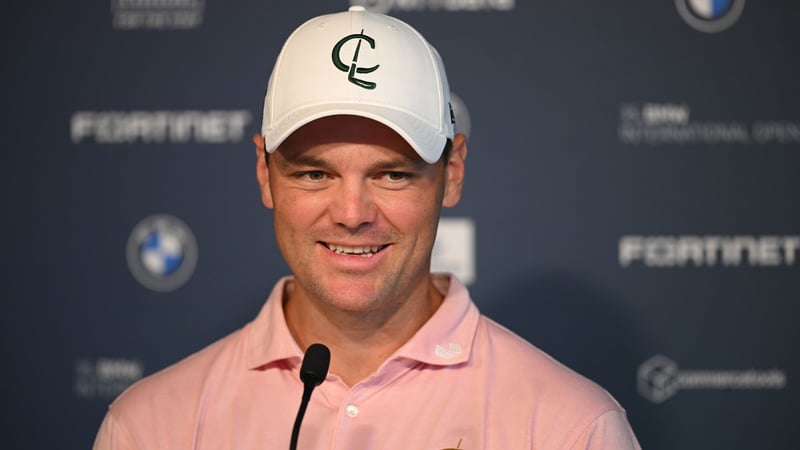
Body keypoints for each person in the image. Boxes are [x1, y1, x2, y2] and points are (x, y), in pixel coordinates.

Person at [93, 6, 640, 449]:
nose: (352, 213)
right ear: (265, 174)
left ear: (451, 174)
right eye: (314, 173)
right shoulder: (148, 428)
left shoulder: (572, 430)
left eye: (393, 175)